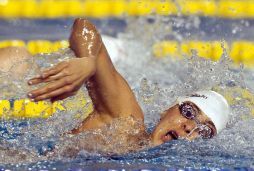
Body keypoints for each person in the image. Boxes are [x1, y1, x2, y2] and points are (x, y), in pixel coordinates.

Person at [0, 19, 230, 153]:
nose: (190, 126)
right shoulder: (125, 121)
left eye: (204, 130)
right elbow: (85, 28)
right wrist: (88, 63)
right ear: (167, 109)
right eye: (189, 112)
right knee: (13, 59)